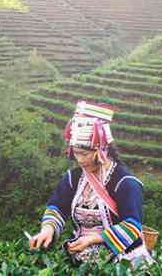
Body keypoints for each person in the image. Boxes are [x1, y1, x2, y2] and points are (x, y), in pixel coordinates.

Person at [29, 101, 153, 265]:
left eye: (84, 154)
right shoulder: (73, 178)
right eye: (76, 153)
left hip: (124, 260)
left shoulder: (125, 183)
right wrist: (48, 229)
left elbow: (132, 228)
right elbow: (57, 207)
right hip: (81, 257)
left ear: (101, 150)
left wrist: (94, 239)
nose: (79, 160)